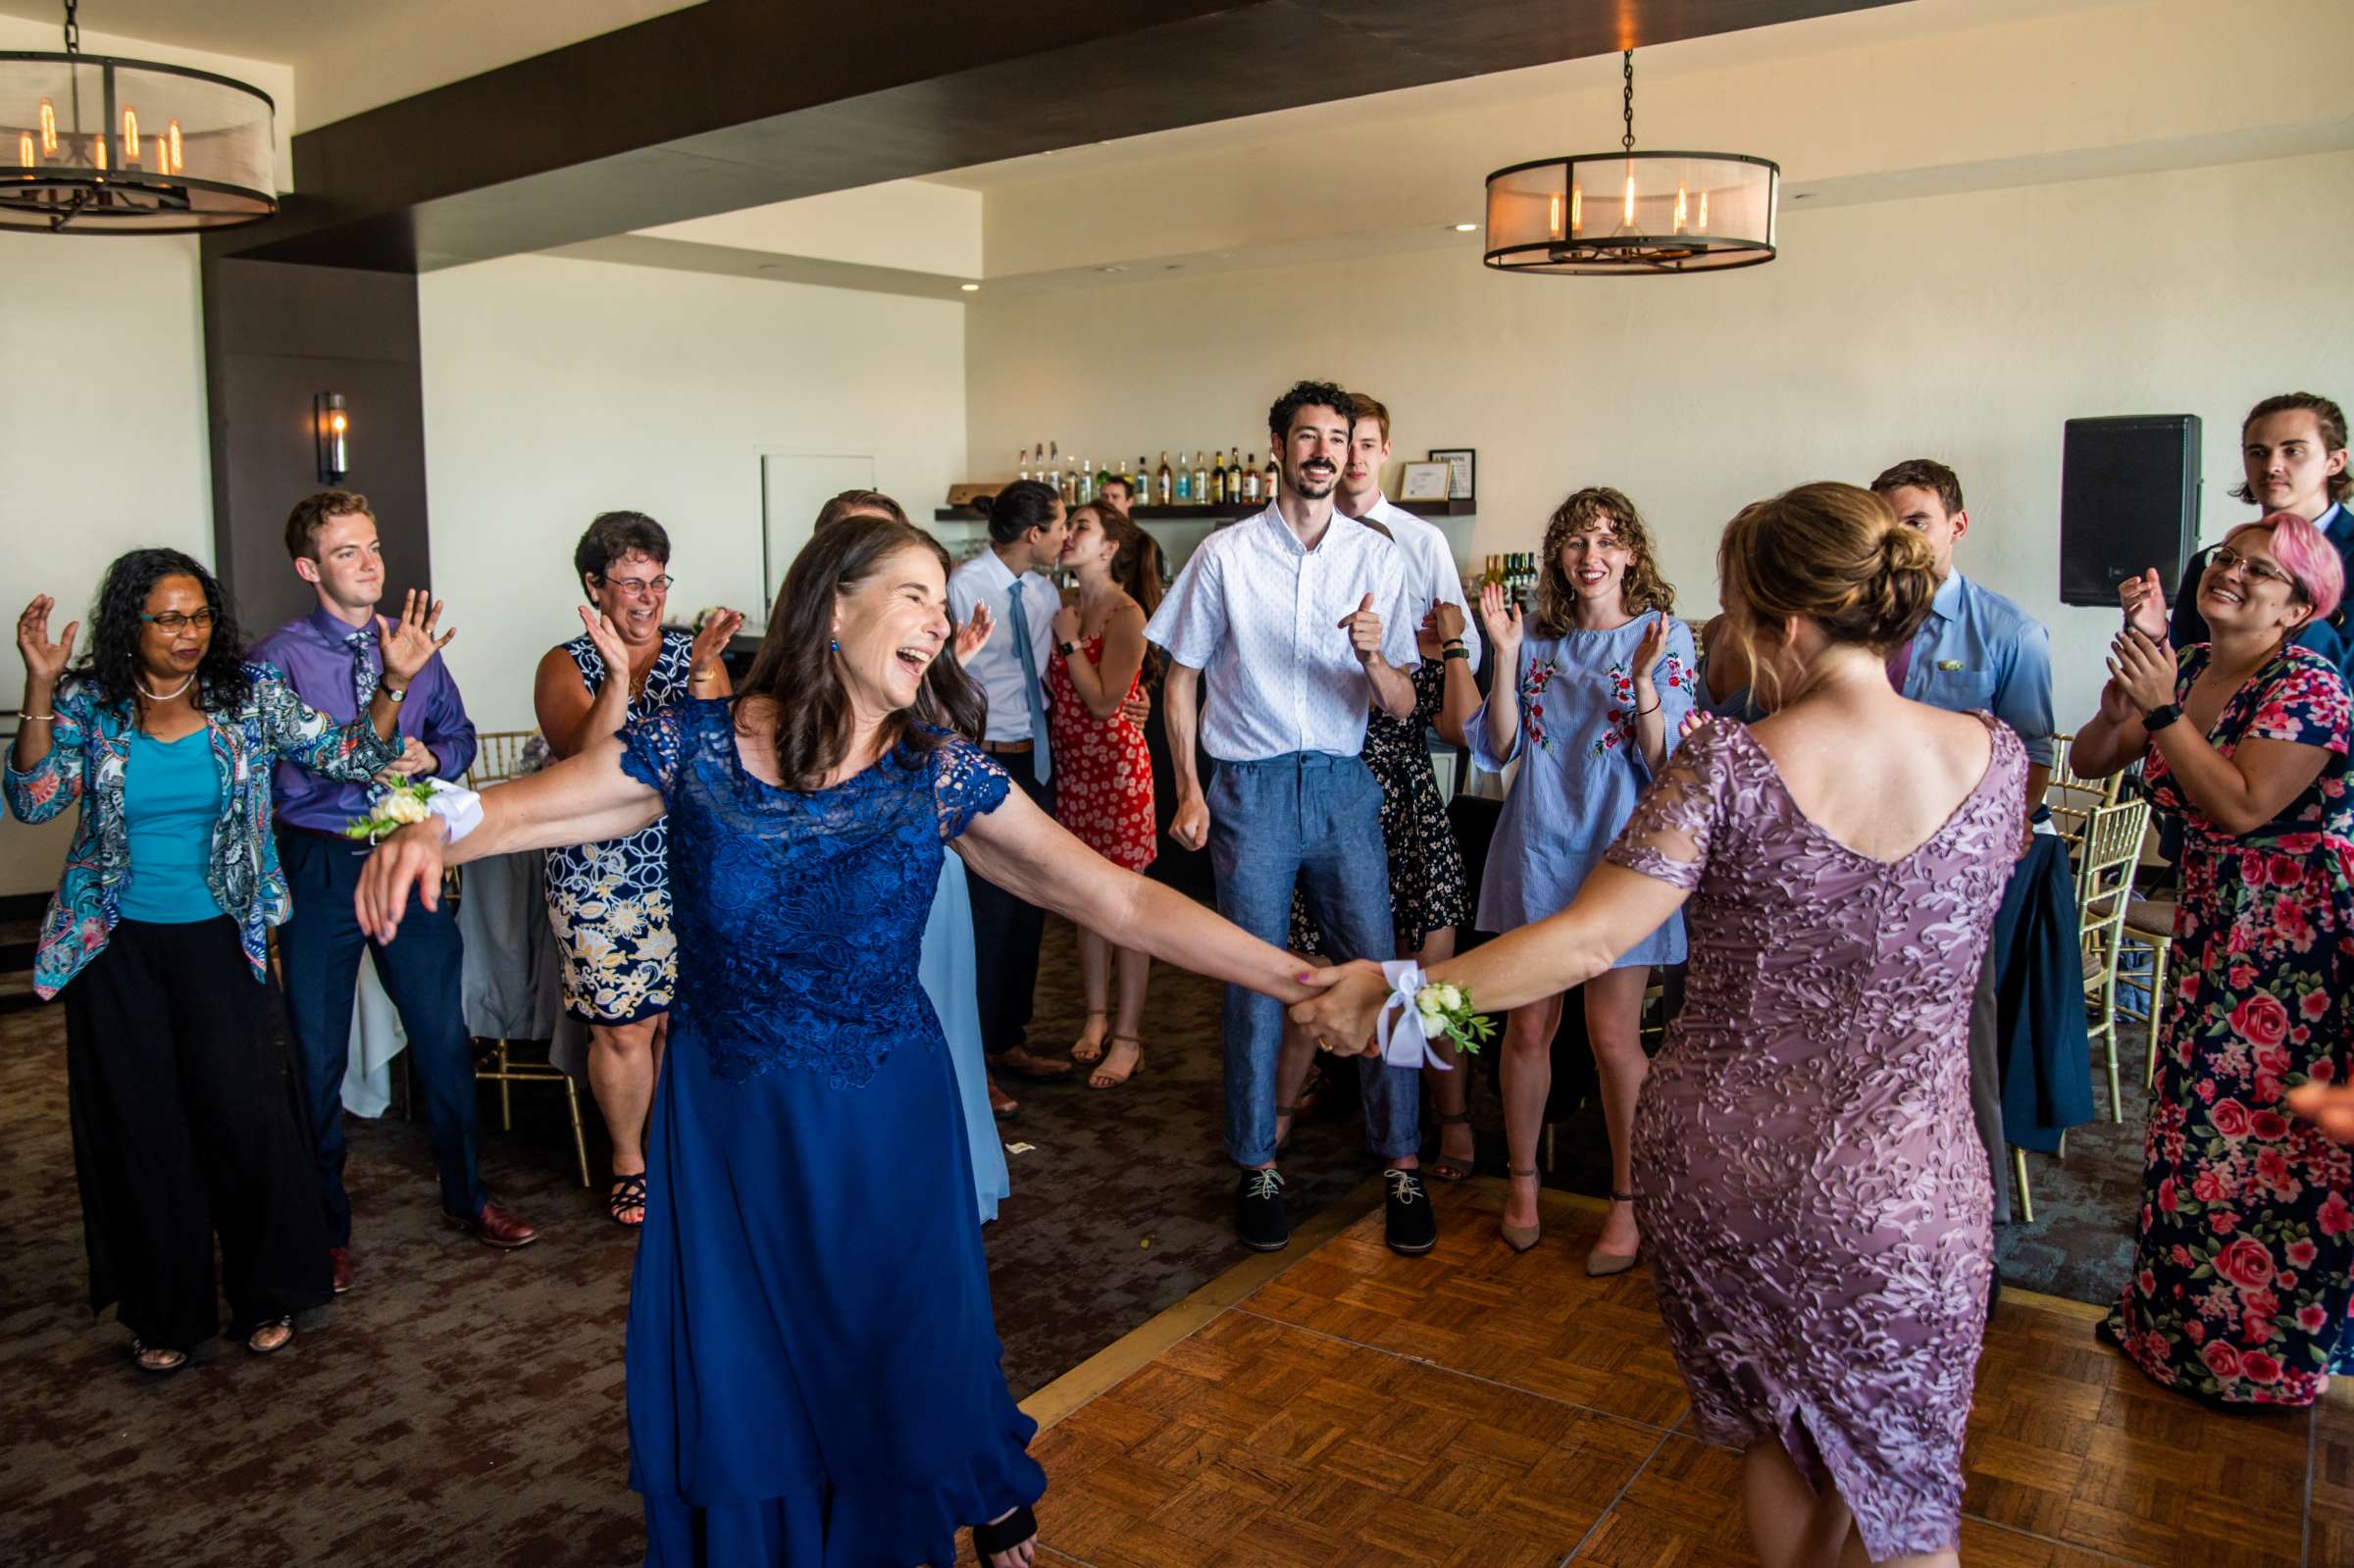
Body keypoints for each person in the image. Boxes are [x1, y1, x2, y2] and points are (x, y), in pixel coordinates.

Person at [351, 514, 1325, 1568]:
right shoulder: (695, 747)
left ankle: (949, 1491)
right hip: (729, 1121)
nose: (938, 619)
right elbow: (522, 813)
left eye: (941, 604)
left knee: (900, 1332)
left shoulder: (937, 773)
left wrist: (1303, 979)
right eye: (914, 594)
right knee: (752, 1358)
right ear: (832, 605)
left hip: (883, 1117)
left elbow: (1121, 904)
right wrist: (428, 823)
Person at [1296, 481, 2021, 1568]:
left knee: (1780, 1437)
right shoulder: (1998, 758)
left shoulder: (1727, 765)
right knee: (1908, 1477)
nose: (1716, 631)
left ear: (1779, 623)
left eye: (1729, 608)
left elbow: (1588, 941)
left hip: (1735, 1172)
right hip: (1914, 1186)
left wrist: (1400, 998)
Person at [7, 552, 444, 1373]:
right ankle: (163, 1310)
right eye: (168, 619)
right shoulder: (90, 702)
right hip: (114, 945)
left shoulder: (248, 696)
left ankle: (268, 1291)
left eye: (199, 615)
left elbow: (349, 755)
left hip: (221, 935)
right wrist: (38, 684)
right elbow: (33, 797)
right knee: (143, 1127)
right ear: (129, 625)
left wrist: (392, 683)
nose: (188, 633)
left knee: (242, 1118)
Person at [1147, 378, 1438, 1258]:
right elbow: (1181, 675)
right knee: (1254, 975)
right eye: (1307, 436)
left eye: (1338, 438)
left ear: (1354, 451)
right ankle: (1256, 1163)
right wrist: (1189, 789)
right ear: (1276, 446)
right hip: (1253, 786)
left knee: (1386, 977)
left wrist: (1374, 655)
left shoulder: (1377, 555)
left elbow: (1397, 703)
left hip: (1346, 783)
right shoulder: (1226, 554)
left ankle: (1402, 1162)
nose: (1324, 452)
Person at [2077, 512, 2354, 1407]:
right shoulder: (2187, 666)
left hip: (2295, 946)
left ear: (2298, 606)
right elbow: (2092, 755)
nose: (2229, 573)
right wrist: (2131, 693)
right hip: (2213, 925)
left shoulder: (2311, 683)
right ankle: (2172, 1331)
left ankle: (2259, 1363)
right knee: (2191, 1132)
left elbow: (2241, 805)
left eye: (2258, 570)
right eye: (2226, 558)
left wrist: (2160, 710)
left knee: (2275, 1153)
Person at [250, 491, 533, 1279]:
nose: (370, 562)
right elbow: (315, 762)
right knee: (313, 1050)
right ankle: (321, 1225)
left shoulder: (410, 645)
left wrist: (432, 760)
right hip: (322, 858)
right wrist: (389, 716)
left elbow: (460, 734)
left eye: (372, 545)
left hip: (408, 851)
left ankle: (467, 1193)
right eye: (347, 551)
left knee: (444, 1037)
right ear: (308, 568)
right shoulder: (275, 660)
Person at [1467, 487, 1697, 1269]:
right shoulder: (1533, 635)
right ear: (1558, 558)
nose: (1589, 556)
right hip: (1536, 845)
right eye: (1574, 542)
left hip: (1621, 856)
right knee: (1528, 1025)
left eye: (1605, 540)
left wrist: (1642, 684)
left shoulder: (1667, 637)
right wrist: (1501, 653)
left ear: (1632, 552)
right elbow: (1496, 750)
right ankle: (1524, 1182)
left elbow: (1670, 766)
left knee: (1611, 1037)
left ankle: (1626, 1204)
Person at [1281, 392, 1477, 1181]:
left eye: (1364, 442)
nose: (1351, 456)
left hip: (1396, 759)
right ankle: (1302, 1100)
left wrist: (1430, 654)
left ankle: (1448, 1116)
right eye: (1339, 441)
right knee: (1317, 953)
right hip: (1323, 762)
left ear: (1385, 450)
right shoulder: (1291, 540)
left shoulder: (1420, 542)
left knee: (1418, 961)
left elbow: (1442, 676)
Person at [533, 511, 742, 1227]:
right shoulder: (566, 662)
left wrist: (709, 669)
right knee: (623, 1027)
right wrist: (619, 676)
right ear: (595, 585)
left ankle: (679, 1148)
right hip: (600, 869)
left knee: (680, 1021)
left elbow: (719, 756)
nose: (648, 597)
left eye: (657, 580)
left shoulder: (695, 652)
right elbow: (585, 763)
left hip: (688, 860)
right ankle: (629, 1159)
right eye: (629, 581)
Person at [1868, 459, 2056, 1230]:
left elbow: (2034, 760)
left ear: (1955, 525)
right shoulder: (1861, 617)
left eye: (1913, 521)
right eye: (1885, 524)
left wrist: (1984, 845)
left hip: (1949, 875)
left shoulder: (2008, 632)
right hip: (1861, 861)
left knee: (1960, 1038)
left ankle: (1978, 1217)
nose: (1898, 538)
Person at [814, 487, 1009, 1222]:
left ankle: (945, 1179)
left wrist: (940, 667)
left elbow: (957, 758)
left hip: (925, 875)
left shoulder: (925, 656)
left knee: (939, 1025)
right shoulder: (786, 680)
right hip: (832, 887)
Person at [947, 481, 1078, 1094]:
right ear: (1034, 534)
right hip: (982, 756)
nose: (1066, 537)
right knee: (985, 913)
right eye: (1060, 527)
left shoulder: (1049, 594)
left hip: (1038, 760)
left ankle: (1008, 1041)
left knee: (1031, 902)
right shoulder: (963, 586)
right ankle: (972, 1059)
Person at [1046, 500, 1161, 1088]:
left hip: (1117, 774)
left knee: (1127, 910)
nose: (1068, 537)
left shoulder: (1126, 614)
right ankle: (1094, 1018)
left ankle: (1128, 1036)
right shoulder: (1065, 606)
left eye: (1080, 529)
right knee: (1085, 903)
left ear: (1110, 547)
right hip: (1073, 774)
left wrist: (1068, 645)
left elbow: (1101, 702)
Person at [2169, 392, 2352, 678]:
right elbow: (2179, 674)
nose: (2271, 466)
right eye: (2258, 452)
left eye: (2293, 451)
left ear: (2335, 461)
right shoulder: (2211, 563)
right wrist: (2148, 633)